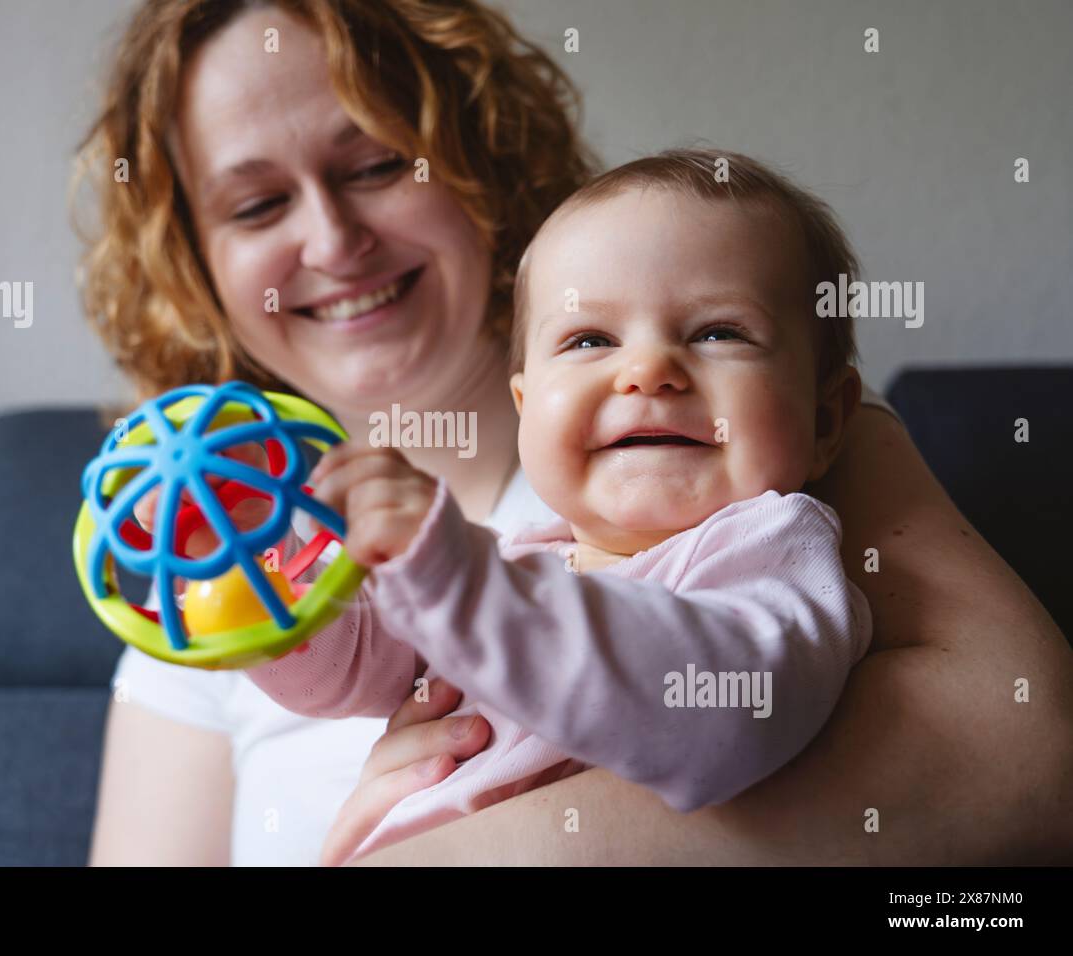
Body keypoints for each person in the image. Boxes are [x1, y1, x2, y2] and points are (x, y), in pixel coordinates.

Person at [73, 0, 1073, 867]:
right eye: (257, 204)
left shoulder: (746, 481)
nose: (333, 242)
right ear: (194, 260)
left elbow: (1029, 759)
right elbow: (375, 656)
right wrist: (261, 589)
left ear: (475, 158)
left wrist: (447, 849)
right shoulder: (537, 543)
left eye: (377, 162)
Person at [246, 149, 879, 864]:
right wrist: (256, 576)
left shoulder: (770, 554)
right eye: (589, 340)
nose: (646, 371)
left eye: (717, 332)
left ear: (826, 422)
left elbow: (719, 714)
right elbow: (358, 664)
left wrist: (462, 577)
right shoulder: (523, 555)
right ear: (526, 409)